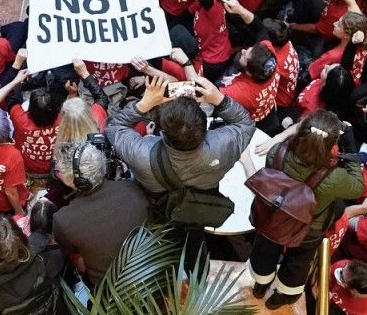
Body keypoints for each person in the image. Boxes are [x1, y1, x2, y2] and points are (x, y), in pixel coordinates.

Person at [106, 70, 256, 234]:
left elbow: (115, 127)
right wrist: (219, 99)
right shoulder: (223, 146)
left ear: (162, 131)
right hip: (201, 207)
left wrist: (143, 104)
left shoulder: (142, 154)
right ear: (205, 128)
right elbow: (246, 124)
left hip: (160, 210)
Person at [247, 111, 365, 310]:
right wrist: (351, 149)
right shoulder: (335, 177)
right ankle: (282, 296)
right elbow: (357, 186)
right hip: (308, 227)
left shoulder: (277, 152)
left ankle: (260, 284)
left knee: (265, 249)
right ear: (333, 143)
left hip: (273, 216)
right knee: (298, 261)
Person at [51, 142, 150, 284]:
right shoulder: (133, 188)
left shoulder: (63, 220)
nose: (57, 173)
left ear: (78, 181)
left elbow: (74, 254)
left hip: (109, 293)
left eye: (58, 171)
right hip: (149, 273)